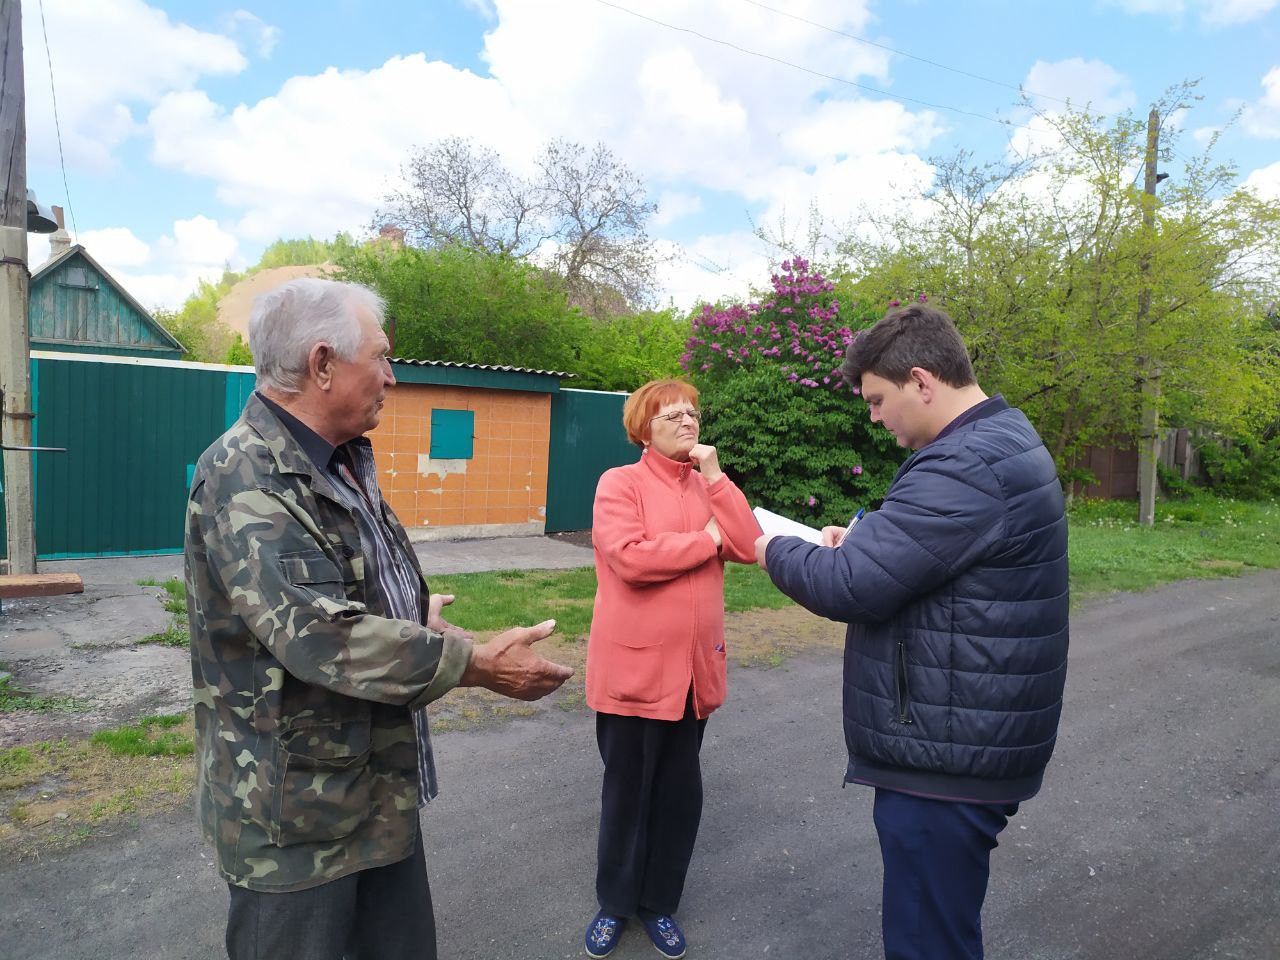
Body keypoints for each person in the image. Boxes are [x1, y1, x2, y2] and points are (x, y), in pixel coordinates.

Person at [184, 277, 573, 960]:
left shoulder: (342, 459)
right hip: (297, 825)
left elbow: (338, 593)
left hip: (370, 796)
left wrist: (413, 615)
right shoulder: (244, 474)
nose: (392, 377)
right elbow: (319, 636)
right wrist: (473, 663)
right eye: (383, 358)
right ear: (323, 363)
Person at [755, 304, 1069, 960]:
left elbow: (851, 587)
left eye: (876, 400)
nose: (873, 417)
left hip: (945, 759)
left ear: (922, 382)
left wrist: (767, 549)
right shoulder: (996, 439)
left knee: (928, 942)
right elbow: (930, 552)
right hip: (963, 739)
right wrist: (864, 538)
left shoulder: (965, 463)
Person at [581, 379, 761, 959]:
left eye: (692, 413)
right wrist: (704, 539)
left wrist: (715, 480)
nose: (688, 422)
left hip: (692, 677)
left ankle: (658, 904)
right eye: (672, 415)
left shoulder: (708, 485)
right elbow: (629, 558)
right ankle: (615, 904)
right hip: (633, 676)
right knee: (628, 793)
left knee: (680, 795)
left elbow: (748, 539)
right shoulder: (621, 483)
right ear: (644, 429)